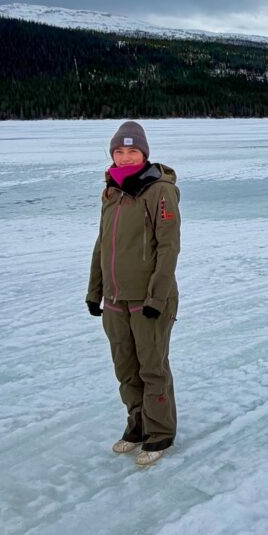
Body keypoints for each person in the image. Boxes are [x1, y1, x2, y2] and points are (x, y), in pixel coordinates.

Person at [86, 121, 181, 467]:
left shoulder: (160, 191)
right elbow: (102, 244)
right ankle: (138, 426)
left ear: (144, 154)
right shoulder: (111, 192)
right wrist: (94, 290)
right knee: (126, 368)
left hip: (149, 299)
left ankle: (160, 433)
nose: (125, 157)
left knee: (151, 368)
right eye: (119, 151)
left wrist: (157, 297)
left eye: (132, 151)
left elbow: (168, 248)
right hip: (115, 299)